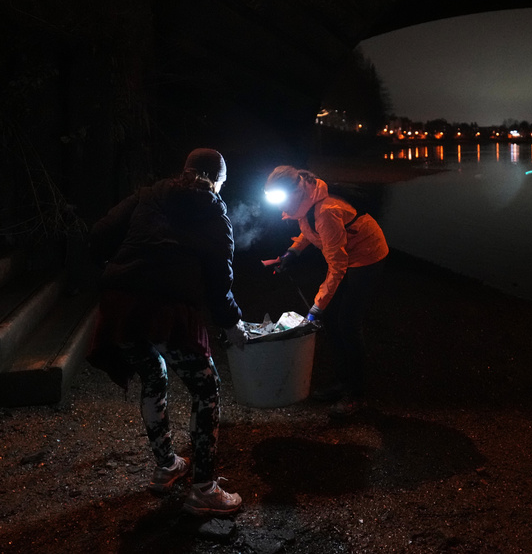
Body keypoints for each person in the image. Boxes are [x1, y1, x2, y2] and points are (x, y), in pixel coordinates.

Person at [88, 148, 246, 516]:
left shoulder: (149, 195)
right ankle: (204, 489)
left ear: (185, 170)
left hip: (121, 307)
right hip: (168, 311)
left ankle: (166, 466)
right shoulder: (214, 213)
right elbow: (220, 282)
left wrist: (117, 270)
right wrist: (232, 323)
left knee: (153, 376)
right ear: (218, 180)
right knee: (206, 388)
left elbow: (98, 234)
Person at [263, 166, 389, 418]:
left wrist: (316, 307)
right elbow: (308, 228)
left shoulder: (326, 212)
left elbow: (337, 266)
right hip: (347, 255)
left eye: (281, 200)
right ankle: (342, 382)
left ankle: (356, 396)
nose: (279, 208)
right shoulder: (306, 199)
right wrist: (293, 252)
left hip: (366, 256)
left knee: (348, 324)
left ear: (293, 193)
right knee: (332, 320)